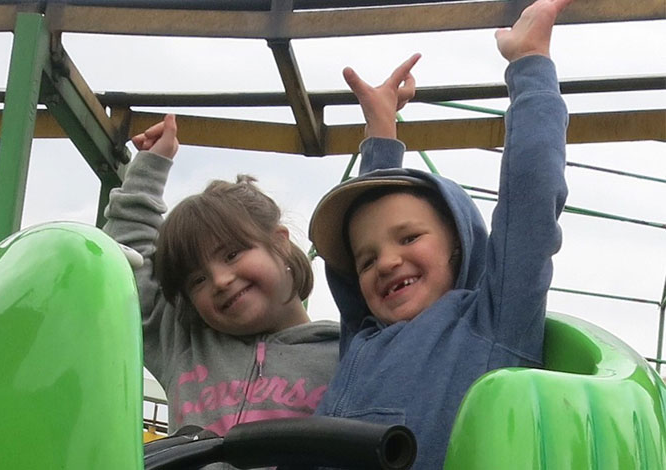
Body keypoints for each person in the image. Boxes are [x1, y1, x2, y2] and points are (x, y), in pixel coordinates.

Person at [307, 0, 572, 467]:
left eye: (409, 239)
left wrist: (530, 65)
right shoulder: (363, 341)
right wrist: (380, 134)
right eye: (366, 260)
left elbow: (531, 203)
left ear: (458, 245)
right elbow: (356, 276)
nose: (386, 261)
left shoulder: (490, 324)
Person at [104, 115, 339, 438]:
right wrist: (150, 166)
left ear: (280, 243)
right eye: (197, 280)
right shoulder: (186, 344)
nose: (220, 281)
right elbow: (128, 266)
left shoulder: (342, 353)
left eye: (232, 254)